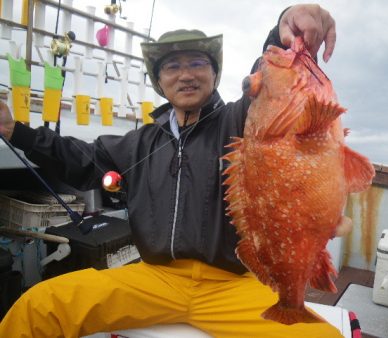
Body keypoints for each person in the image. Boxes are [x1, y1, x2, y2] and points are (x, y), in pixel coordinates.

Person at [0, 4, 351, 337]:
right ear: (159, 81)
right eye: (172, 67)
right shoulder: (138, 142)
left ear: (214, 73)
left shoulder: (240, 119)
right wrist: (16, 131)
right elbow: (76, 158)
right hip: (154, 279)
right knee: (37, 307)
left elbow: (274, 86)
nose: (186, 75)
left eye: (198, 63)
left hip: (233, 284)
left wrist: (284, 27)